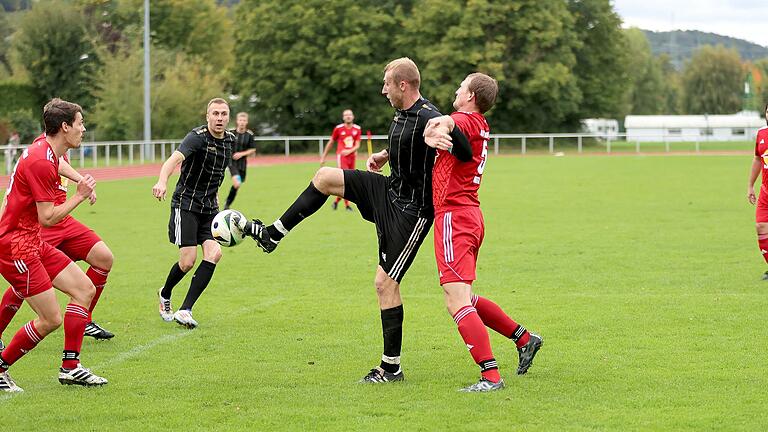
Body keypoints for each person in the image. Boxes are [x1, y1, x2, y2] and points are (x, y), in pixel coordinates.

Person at [245, 58, 441, 383]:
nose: (383, 90)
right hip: (388, 189)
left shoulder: (431, 117)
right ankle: (273, 234)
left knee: (385, 284)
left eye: (387, 84)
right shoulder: (404, 114)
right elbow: (410, 143)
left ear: (403, 85)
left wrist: (451, 130)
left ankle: (391, 368)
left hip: (411, 212)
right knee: (324, 177)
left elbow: (450, 135)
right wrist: (385, 154)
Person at [423, 73, 542, 392]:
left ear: (472, 95)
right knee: (466, 297)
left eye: (462, 86)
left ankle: (490, 376)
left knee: (455, 300)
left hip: (454, 217)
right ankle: (525, 338)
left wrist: (435, 128)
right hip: (469, 215)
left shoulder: (465, 118)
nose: (457, 89)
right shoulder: (479, 124)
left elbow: (447, 122)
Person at [0, 98, 108, 392]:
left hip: (30, 241)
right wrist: (80, 194)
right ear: (65, 127)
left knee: (84, 289)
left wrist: (76, 183)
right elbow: (47, 217)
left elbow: (56, 167)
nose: (83, 129)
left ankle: (70, 368)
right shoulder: (39, 160)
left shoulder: (47, 152)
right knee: (49, 319)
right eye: (80, 123)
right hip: (16, 247)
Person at [153, 98, 234, 329]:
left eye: (223, 114)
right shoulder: (196, 138)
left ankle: (186, 310)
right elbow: (173, 160)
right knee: (187, 262)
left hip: (210, 208)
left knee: (215, 253)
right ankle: (165, 293)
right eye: (215, 114)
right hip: (186, 204)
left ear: (228, 117)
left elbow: (217, 171)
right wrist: (162, 181)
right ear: (207, 116)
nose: (219, 118)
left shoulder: (230, 140)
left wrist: (216, 195)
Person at [320, 109, 361, 211]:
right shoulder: (338, 129)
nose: (348, 116)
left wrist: (350, 151)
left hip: (352, 157)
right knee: (346, 179)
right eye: (346, 115)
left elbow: (357, 145)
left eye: (350, 115)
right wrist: (323, 157)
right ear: (343, 117)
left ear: (353, 116)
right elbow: (331, 142)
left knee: (349, 180)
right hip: (342, 157)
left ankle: (336, 202)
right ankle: (347, 205)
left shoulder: (357, 129)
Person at [747, 103, 768, 279]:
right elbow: (757, 159)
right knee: (761, 226)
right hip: (765, 192)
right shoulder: (761, 133)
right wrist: (750, 185)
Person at [224, 112, 257, 210]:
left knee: (238, 185)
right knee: (237, 183)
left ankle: (228, 202)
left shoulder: (249, 135)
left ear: (246, 122)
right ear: (237, 121)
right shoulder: (231, 133)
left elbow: (253, 149)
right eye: (240, 120)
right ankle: (226, 206)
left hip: (242, 164)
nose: (242, 122)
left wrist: (241, 154)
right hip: (231, 162)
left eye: (244, 120)